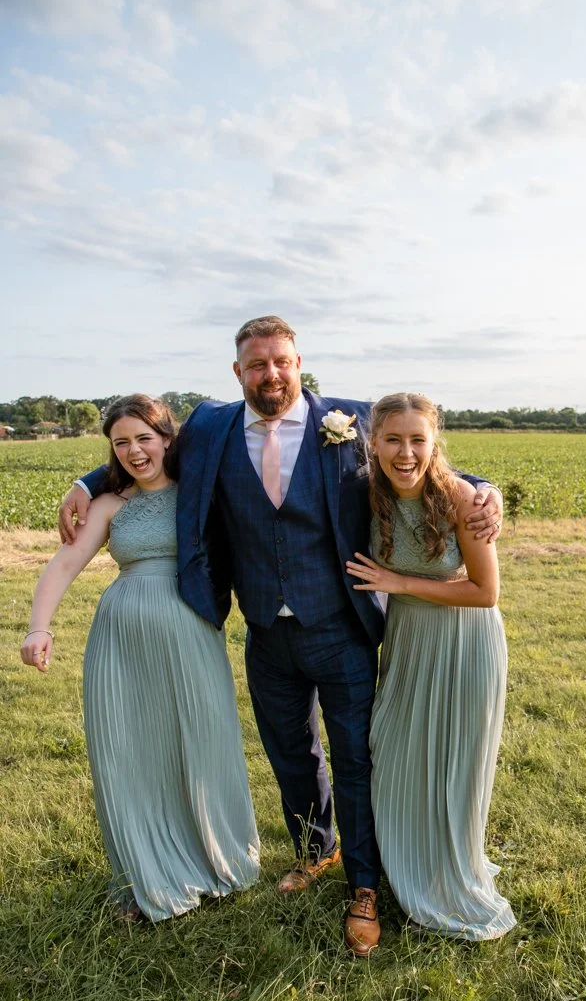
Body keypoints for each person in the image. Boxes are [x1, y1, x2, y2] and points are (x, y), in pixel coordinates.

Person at [58, 318, 503, 954]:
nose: (271, 374)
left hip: (341, 626)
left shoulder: (350, 421)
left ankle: (364, 886)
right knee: (291, 753)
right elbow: (143, 453)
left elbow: (421, 456)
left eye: (282, 362)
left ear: (300, 364)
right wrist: (86, 482)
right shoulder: (210, 427)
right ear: (237, 372)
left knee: (354, 758)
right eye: (257, 364)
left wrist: (486, 492)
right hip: (263, 628)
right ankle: (314, 849)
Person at [22, 394, 259, 922]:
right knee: (132, 750)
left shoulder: (199, 493)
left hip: (191, 632)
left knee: (204, 737)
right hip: (121, 639)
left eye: (143, 438)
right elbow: (63, 566)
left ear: (168, 439)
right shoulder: (111, 504)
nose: (134, 451)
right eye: (120, 443)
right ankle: (146, 866)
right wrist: (39, 627)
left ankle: (215, 855)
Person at [346, 392, 516, 940]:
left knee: (453, 764)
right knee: (393, 750)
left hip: (464, 642)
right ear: (372, 442)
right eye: (393, 439)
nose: (405, 452)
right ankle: (405, 866)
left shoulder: (463, 498)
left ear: (434, 443)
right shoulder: (366, 494)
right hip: (407, 643)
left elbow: (486, 592)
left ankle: (448, 875)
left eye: (418, 439)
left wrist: (399, 584)